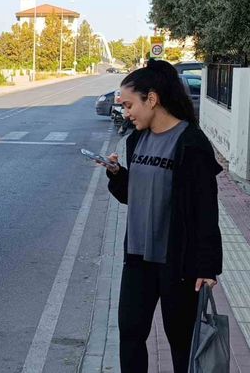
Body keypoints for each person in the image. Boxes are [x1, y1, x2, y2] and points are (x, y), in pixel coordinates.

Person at [96, 59, 223, 372]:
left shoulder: (191, 143)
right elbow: (133, 195)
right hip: (137, 259)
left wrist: (207, 267)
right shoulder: (137, 140)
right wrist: (117, 175)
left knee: (181, 344)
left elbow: (205, 210)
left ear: (151, 99)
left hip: (177, 263)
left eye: (128, 105)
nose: (126, 113)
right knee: (130, 335)